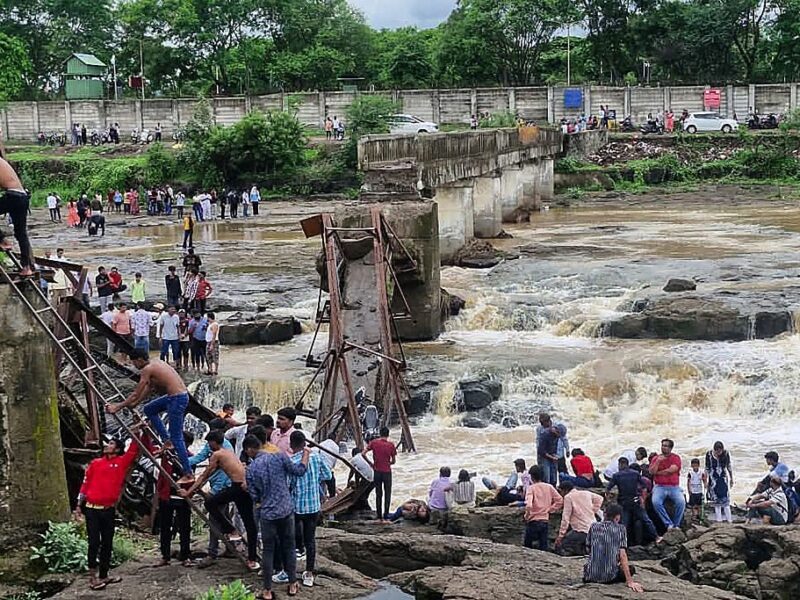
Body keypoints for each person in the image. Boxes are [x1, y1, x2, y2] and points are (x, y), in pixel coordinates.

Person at [107, 349, 193, 480]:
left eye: (134, 362)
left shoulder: (147, 369)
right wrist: (135, 403)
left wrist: (117, 406)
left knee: (177, 437)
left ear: (140, 360)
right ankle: (166, 440)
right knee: (149, 409)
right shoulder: (156, 363)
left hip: (176, 399)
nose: (133, 365)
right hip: (177, 396)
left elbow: (136, 392)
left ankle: (188, 473)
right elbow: (149, 389)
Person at [180, 430, 259, 570]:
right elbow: (212, 474)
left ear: (214, 442)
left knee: (210, 503)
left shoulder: (217, 454)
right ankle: (252, 558)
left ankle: (230, 529)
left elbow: (204, 475)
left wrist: (188, 492)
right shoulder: (228, 451)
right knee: (250, 524)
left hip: (237, 487)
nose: (208, 446)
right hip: (245, 486)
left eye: (209, 443)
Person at [74, 430, 140, 590]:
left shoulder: (121, 462)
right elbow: (85, 483)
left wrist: (138, 432)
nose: (107, 445)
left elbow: (133, 450)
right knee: (94, 542)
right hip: (92, 509)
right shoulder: (96, 463)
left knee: (107, 543)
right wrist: (78, 505)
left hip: (108, 510)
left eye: (111, 444)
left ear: (117, 449)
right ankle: (92, 577)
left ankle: (104, 574)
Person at [247, 434, 310, 599]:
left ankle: (267, 590)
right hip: (285, 509)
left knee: (268, 550)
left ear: (250, 449)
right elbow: (299, 471)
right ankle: (292, 583)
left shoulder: (251, 468)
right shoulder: (279, 457)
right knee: (289, 546)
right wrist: (305, 455)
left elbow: (254, 495)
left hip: (267, 513)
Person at [289, 431, 332, 588]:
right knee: (310, 540)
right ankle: (309, 573)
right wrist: (313, 479)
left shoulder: (292, 461)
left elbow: (288, 484)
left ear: (291, 445)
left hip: (296, 506)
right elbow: (327, 475)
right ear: (304, 443)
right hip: (313, 505)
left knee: (292, 539)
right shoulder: (316, 457)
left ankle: (291, 572)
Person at [583, 504, 644, 593]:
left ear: (604, 514)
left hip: (590, 576)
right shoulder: (621, 529)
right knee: (631, 569)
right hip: (609, 577)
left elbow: (588, 548)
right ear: (617, 516)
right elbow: (622, 555)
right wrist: (630, 581)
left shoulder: (594, 526)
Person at [155, 431, 194, 568]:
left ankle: (186, 555)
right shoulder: (167, 455)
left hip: (183, 497)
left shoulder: (190, 458)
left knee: (184, 527)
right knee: (165, 526)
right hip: (167, 496)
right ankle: (165, 556)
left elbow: (191, 478)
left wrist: (189, 492)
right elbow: (154, 453)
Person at [606, 457, 661, 545]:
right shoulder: (635, 474)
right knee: (646, 520)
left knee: (624, 524)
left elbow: (608, 489)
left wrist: (609, 499)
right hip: (635, 501)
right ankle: (656, 537)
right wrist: (642, 499)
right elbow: (644, 486)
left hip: (624, 503)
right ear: (627, 464)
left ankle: (621, 543)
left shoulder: (616, 475)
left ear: (620, 464)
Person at [0, 158, 34, 275]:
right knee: (21, 233)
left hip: (13, 196)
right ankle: (26, 267)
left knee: (21, 233)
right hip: (22, 196)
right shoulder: (2, 162)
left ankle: (3, 240)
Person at [556, 481, 603, 556]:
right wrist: (593, 510)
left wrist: (560, 536)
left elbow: (565, 518)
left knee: (564, 545)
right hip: (593, 528)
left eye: (560, 491)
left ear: (565, 490)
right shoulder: (585, 493)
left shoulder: (568, 497)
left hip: (581, 530)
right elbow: (600, 498)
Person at [523, 464, 563, 550]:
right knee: (543, 544)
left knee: (527, 545)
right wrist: (550, 509)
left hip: (533, 520)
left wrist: (526, 516)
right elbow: (560, 500)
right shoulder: (549, 487)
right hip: (545, 520)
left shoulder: (531, 488)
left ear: (532, 477)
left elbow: (529, 505)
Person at [649, 438, 685, 531]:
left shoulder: (675, 458)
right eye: (662, 445)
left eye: (665, 446)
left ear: (670, 448)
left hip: (673, 487)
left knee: (681, 502)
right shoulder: (656, 458)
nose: (663, 447)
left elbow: (672, 470)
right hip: (659, 486)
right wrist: (657, 462)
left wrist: (658, 472)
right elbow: (651, 471)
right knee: (656, 502)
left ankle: (676, 525)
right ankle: (668, 524)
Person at [362, 426, 397, 521]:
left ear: (380, 434)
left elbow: (363, 453)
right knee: (387, 493)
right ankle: (386, 514)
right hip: (387, 472)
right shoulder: (391, 445)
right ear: (388, 434)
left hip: (377, 471)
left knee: (378, 493)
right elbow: (394, 461)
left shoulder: (374, 443)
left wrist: (371, 463)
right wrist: (388, 463)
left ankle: (378, 515)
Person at [705, 441, 734, 523]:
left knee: (725, 499)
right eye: (717, 451)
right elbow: (707, 468)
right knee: (716, 500)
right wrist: (705, 480)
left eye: (720, 451)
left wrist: (732, 478)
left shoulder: (726, 454)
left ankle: (729, 519)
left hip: (723, 478)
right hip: (713, 479)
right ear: (714, 450)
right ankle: (719, 520)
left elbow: (729, 466)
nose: (719, 453)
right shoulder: (709, 455)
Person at [535, 413, 564, 486]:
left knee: (553, 478)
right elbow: (541, 451)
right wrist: (552, 457)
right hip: (544, 457)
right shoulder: (545, 434)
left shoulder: (557, 429)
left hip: (552, 455)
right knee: (546, 478)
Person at [317, 433, 340, 498]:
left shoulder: (321, 444)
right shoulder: (336, 447)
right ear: (335, 439)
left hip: (319, 466)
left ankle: (322, 498)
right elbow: (335, 461)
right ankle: (332, 497)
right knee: (331, 481)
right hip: (327, 467)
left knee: (321, 483)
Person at [205, 311, 220, 375]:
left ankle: (215, 370)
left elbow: (214, 334)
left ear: (209, 317)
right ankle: (210, 370)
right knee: (209, 356)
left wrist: (212, 344)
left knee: (215, 356)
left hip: (213, 342)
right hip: (208, 342)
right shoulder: (210, 324)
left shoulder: (215, 324)